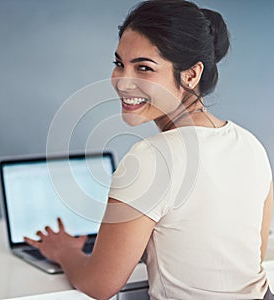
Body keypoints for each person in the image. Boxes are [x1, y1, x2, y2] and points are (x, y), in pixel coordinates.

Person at [24, 0, 274, 299]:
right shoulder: (249, 144)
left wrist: (64, 250)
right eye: (119, 64)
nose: (123, 82)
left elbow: (99, 285)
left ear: (191, 75)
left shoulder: (151, 158)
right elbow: (248, 255)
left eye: (144, 68)